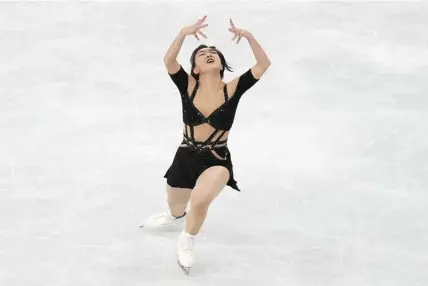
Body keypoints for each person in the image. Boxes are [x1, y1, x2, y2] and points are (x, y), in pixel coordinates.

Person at [141, 15, 271, 274]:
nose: (209, 54)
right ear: (196, 68)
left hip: (217, 159)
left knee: (200, 202)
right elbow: (169, 61)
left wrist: (248, 36)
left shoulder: (232, 89)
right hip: (185, 156)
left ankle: (187, 238)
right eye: (202, 54)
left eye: (214, 53)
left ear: (221, 64)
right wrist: (183, 33)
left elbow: (263, 64)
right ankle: (175, 218)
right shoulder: (187, 85)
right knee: (177, 207)